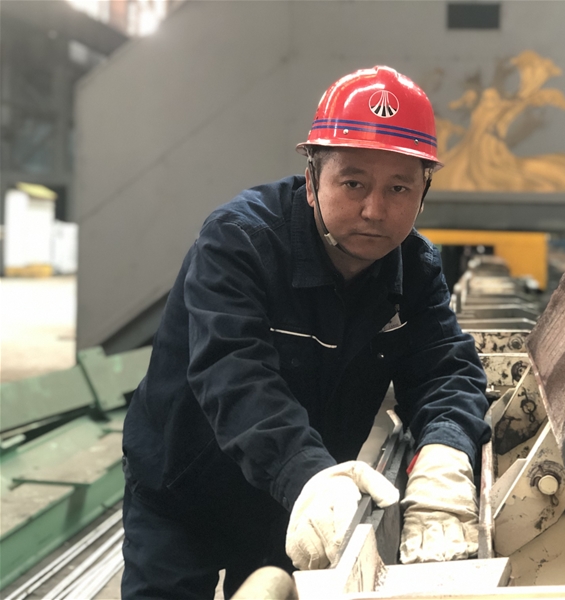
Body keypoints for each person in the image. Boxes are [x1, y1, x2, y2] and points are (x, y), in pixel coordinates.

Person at [120, 65, 491, 599]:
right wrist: (310, 477)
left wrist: (445, 454)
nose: (374, 209)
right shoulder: (239, 243)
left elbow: (444, 369)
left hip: (296, 501)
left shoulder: (413, 269)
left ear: (424, 191)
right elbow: (234, 376)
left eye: (399, 188)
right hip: (185, 491)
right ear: (313, 180)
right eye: (353, 183)